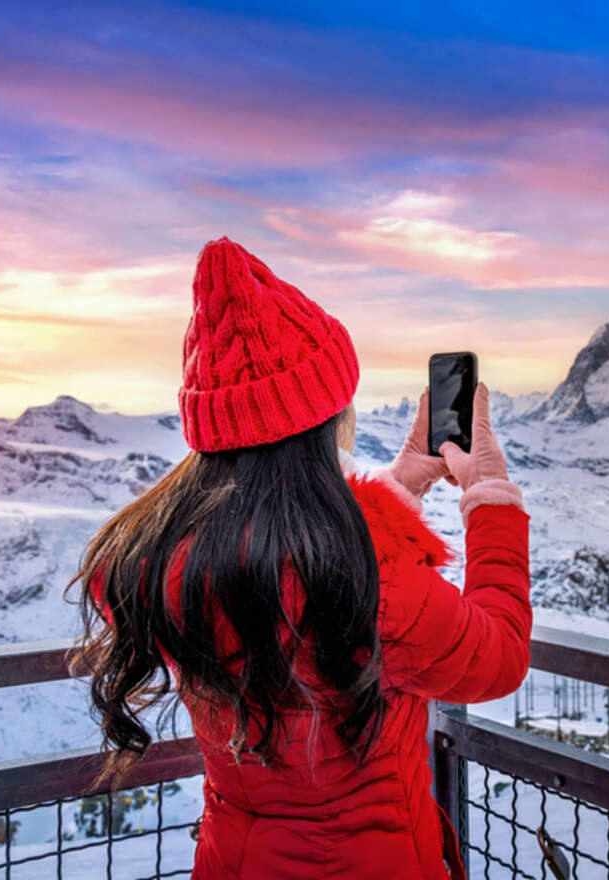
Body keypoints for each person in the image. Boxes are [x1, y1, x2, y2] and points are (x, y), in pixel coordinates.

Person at [69, 237, 531, 879]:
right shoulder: (370, 586)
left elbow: (295, 564)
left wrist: (401, 486)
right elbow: (496, 659)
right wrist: (489, 498)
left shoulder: (174, 567)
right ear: (323, 425)